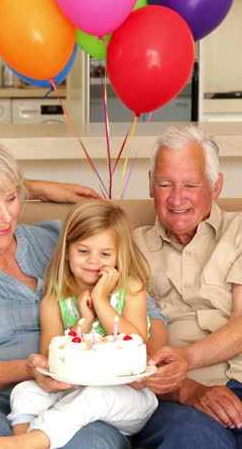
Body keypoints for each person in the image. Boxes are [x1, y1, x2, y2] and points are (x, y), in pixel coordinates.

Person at [0, 135, 174, 449]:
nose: (6, 217)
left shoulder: (58, 237)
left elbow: (148, 313)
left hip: (91, 390)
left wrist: (147, 367)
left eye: (12, 199)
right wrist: (29, 369)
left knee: (91, 441)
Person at [131, 125, 242, 449]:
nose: (177, 199)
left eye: (190, 185)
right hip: (178, 400)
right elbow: (127, 340)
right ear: (151, 184)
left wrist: (187, 358)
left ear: (216, 185)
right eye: (165, 184)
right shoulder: (129, 248)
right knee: (190, 439)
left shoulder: (239, 232)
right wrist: (188, 389)